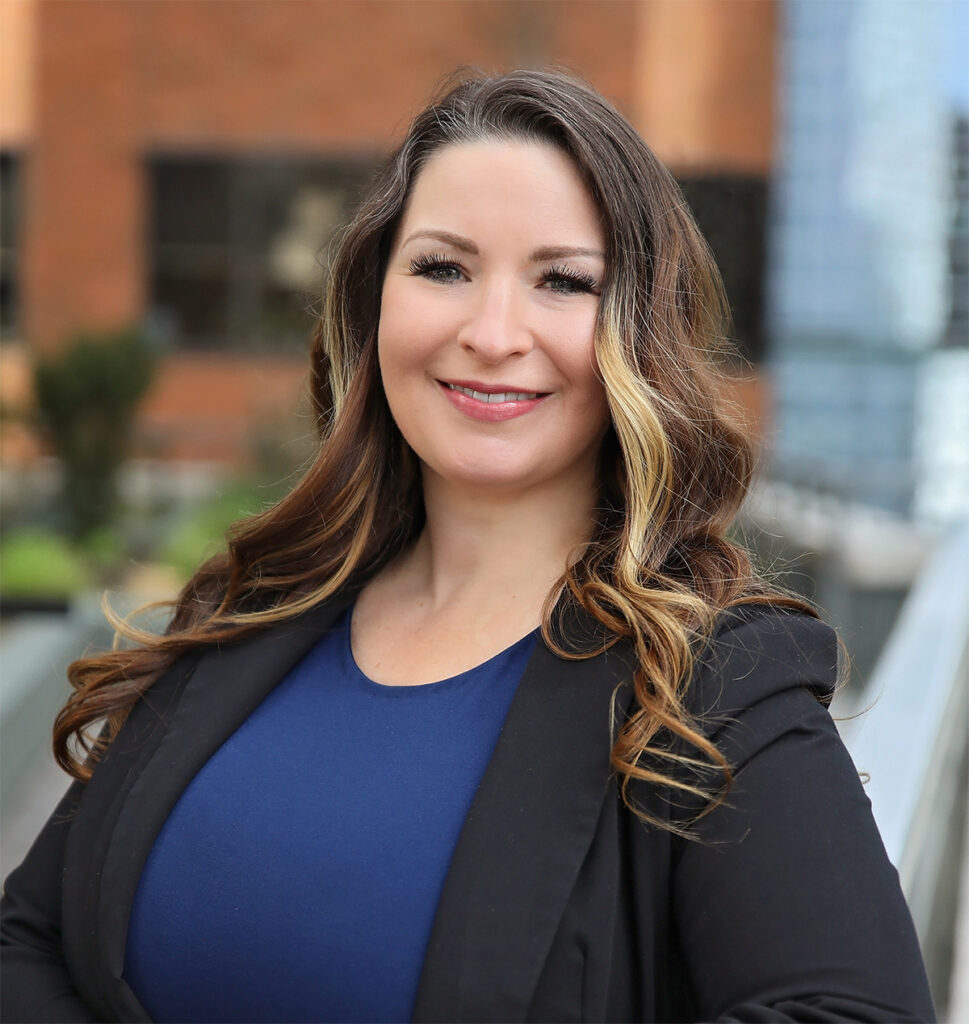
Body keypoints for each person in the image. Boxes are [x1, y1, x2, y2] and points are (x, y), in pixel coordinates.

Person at [1, 69, 934, 1023]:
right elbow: (27, 940)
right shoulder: (251, 611)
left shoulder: (715, 684)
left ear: (640, 338)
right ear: (373, 305)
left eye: (563, 281)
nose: (491, 334)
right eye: (443, 268)